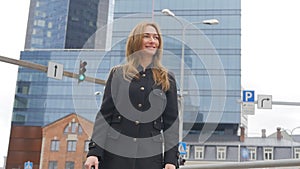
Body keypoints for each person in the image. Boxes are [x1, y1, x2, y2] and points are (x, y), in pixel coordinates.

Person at [84, 21, 179, 169]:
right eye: (146, 36)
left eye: (156, 37)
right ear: (136, 41)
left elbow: (171, 124)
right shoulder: (118, 74)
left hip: (149, 158)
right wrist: (94, 153)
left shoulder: (167, 78)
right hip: (115, 157)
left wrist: (171, 160)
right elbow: (104, 116)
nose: (152, 41)